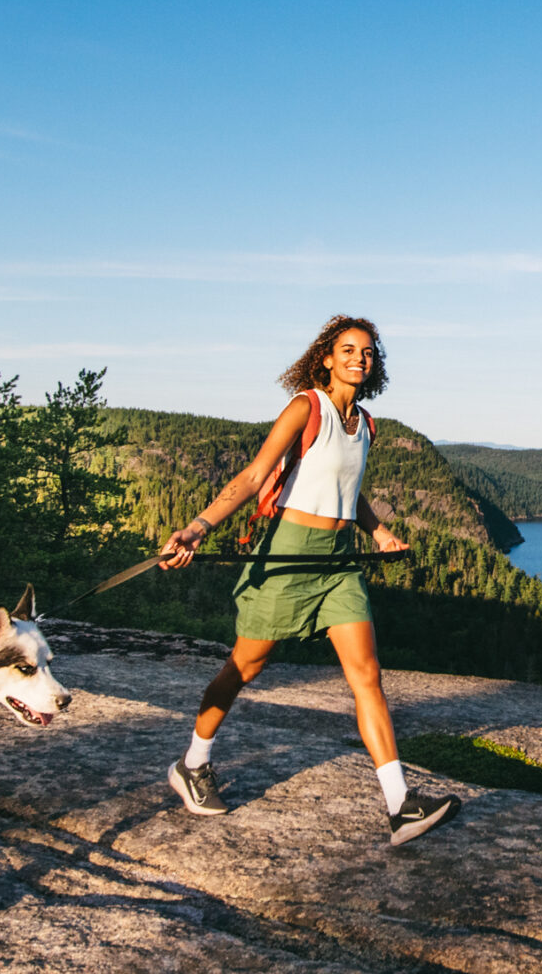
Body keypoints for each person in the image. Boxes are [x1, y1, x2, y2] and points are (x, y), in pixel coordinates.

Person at [154, 314, 461, 846]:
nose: (358, 359)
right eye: (348, 349)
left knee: (367, 674)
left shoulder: (364, 423)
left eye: (367, 352)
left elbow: (350, 492)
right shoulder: (306, 406)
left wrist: (380, 532)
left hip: (339, 559)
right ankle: (192, 762)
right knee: (245, 666)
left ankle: (400, 805)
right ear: (326, 357)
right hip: (289, 552)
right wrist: (198, 528)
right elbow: (253, 476)